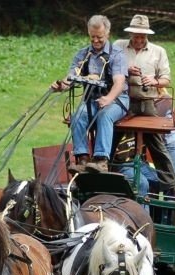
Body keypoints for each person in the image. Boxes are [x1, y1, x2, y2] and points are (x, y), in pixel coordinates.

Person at [51, 15, 128, 174]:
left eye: (99, 37)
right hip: (91, 100)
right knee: (77, 116)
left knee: (104, 115)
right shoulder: (82, 54)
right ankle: (83, 159)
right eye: (92, 37)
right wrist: (61, 85)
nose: (95, 41)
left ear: (107, 34)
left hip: (117, 100)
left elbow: (119, 83)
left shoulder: (117, 54)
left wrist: (108, 98)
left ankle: (101, 160)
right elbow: (72, 77)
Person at [120, 14, 175, 197]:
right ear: (131, 34)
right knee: (114, 133)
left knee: (155, 141)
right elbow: (109, 69)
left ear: (147, 36)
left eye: (142, 36)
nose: (139, 39)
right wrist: (126, 70)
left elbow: (166, 79)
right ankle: (106, 166)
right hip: (123, 99)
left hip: (147, 101)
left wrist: (154, 81)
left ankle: (171, 184)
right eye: (136, 35)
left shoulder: (158, 51)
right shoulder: (118, 46)